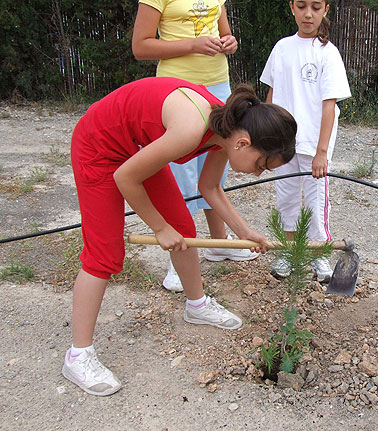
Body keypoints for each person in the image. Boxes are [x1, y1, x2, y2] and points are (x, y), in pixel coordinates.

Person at [63, 78, 297, 396]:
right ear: (243, 143)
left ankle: (196, 305)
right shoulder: (191, 128)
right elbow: (125, 177)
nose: (258, 173)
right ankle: (78, 355)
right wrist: (159, 228)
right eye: (261, 165)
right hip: (99, 146)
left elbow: (209, 187)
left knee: (184, 231)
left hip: (136, 147)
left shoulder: (225, 131)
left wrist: (244, 232)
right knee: (104, 253)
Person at [132, 0, 258, 294]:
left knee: (214, 168)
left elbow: (226, 34)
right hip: (176, 89)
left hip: (217, 84)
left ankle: (219, 243)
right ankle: (178, 261)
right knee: (180, 178)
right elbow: (141, 47)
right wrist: (192, 45)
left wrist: (230, 43)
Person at [260, 0, 351, 282]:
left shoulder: (327, 53)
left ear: (325, 9)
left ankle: (319, 254)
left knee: (315, 201)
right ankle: (288, 252)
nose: (307, 14)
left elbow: (329, 105)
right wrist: (268, 138)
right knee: (286, 197)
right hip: (283, 143)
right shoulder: (282, 48)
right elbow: (272, 96)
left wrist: (321, 151)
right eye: (301, 6)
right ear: (291, 8)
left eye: (315, 7)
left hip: (314, 144)